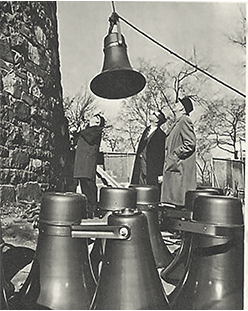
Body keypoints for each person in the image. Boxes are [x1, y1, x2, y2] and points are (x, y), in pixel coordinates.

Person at [160, 97, 196, 208]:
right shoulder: (178, 122)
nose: (175, 104)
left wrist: (174, 156)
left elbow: (190, 144)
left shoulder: (185, 120)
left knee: (178, 206)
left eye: (178, 103)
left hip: (179, 170)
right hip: (174, 169)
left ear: (183, 108)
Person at [73, 113, 105, 216]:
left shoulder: (96, 130)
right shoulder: (86, 131)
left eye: (96, 118)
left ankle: (93, 209)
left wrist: (81, 130)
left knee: (89, 185)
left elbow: (88, 137)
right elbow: (76, 139)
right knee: (84, 185)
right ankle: (87, 209)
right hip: (81, 161)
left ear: (97, 122)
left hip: (88, 161)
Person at [131, 110, 166, 191]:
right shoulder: (146, 131)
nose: (151, 114)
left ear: (157, 120)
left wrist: (160, 174)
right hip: (140, 165)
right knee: (138, 186)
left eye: (154, 114)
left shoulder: (161, 135)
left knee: (149, 190)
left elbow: (161, 156)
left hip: (151, 168)